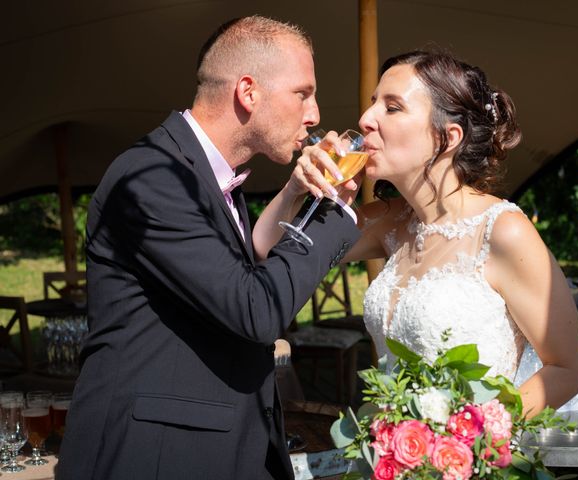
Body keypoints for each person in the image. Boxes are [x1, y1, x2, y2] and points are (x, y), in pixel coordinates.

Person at [56, 16, 361, 480]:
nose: (315, 113)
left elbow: (249, 260)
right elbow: (255, 309)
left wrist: (295, 191)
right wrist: (335, 212)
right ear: (248, 92)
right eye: (303, 93)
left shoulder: (203, 175)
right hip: (156, 458)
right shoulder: (151, 177)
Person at [254, 49, 578, 417]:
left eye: (392, 107)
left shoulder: (503, 230)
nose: (366, 119)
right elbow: (271, 248)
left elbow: (571, 368)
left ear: (447, 138)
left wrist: (471, 437)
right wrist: (295, 189)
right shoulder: (389, 221)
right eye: (372, 104)